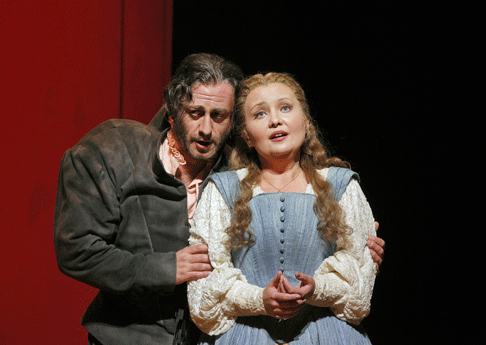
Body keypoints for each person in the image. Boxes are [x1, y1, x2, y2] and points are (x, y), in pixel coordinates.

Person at [54, 53, 384, 345]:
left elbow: (290, 219)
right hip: (129, 335)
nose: (206, 129)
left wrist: (356, 245)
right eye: (194, 112)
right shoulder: (115, 151)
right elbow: (77, 249)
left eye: (219, 116)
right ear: (172, 109)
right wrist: (167, 267)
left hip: (208, 336)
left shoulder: (236, 175)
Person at [188, 72, 378, 344]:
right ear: (247, 135)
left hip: (328, 334)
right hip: (246, 335)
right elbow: (204, 296)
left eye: (285, 108)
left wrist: (317, 290)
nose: (275, 119)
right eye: (260, 114)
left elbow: (358, 291)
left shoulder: (341, 186)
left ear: (306, 121)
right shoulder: (222, 190)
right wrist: (258, 300)